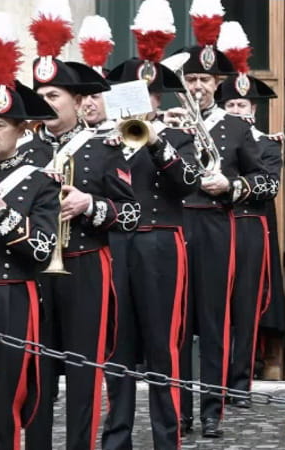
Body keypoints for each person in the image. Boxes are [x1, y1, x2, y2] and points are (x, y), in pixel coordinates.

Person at [21, 4, 140, 449]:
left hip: (86, 267)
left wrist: (91, 204)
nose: (46, 104)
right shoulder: (23, 151)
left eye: (54, 96)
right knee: (36, 375)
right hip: (32, 274)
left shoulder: (104, 148)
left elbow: (129, 216)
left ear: (77, 100)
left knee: (85, 373)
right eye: (40, 95)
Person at [99, 2, 202, 448]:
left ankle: (168, 436)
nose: (144, 103)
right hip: (118, 243)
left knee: (165, 346)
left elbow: (190, 184)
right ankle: (117, 436)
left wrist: (157, 140)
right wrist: (113, 140)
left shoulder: (178, 136)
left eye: (151, 97)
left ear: (159, 100)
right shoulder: (105, 140)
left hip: (161, 244)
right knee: (117, 346)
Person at [171, 0, 272, 437]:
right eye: (191, 79)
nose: (198, 87)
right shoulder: (169, 124)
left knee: (212, 320)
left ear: (218, 83)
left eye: (205, 80)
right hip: (176, 226)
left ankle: (212, 410)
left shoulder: (236, 129)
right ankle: (179, 410)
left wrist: (231, 187)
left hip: (215, 223)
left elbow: (266, 181)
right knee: (176, 322)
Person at [0, 14, 60, 450]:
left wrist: (0, 209)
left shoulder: (39, 181)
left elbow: (41, 249)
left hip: (13, 295)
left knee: (9, 399)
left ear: (21, 129)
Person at [215, 20, 283, 404]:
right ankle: (213, 376)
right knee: (213, 306)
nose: (238, 111)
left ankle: (238, 382)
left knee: (244, 306)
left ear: (253, 109)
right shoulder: (211, 139)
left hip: (249, 229)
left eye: (242, 105)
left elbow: (267, 184)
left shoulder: (267, 145)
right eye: (231, 105)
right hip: (215, 225)